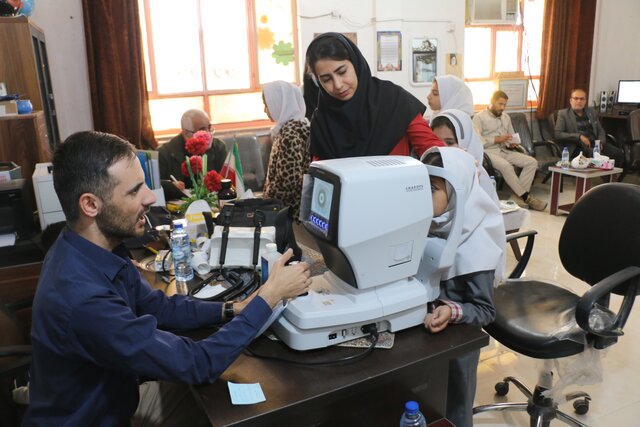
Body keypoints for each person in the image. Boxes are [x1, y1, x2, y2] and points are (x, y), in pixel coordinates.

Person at [25, 131, 311, 425]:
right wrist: (268, 297)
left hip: (115, 399)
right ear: (90, 205)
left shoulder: (90, 250)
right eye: (135, 191)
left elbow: (157, 306)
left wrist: (232, 309)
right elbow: (198, 363)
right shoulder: (83, 299)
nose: (150, 196)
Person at [421, 147, 504, 427]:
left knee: (455, 408)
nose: (422, 197)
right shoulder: (433, 225)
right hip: (429, 336)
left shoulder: (476, 246)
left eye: (431, 189)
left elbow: (485, 310)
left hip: (459, 344)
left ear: (458, 192)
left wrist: (451, 311)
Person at [306, 32, 443, 160]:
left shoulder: (392, 99)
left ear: (356, 63)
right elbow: (321, 176)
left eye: (342, 72)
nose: (338, 85)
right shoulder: (321, 121)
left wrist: (451, 164)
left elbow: (431, 148)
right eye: (326, 79)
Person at [473, 90, 547, 211]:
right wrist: (497, 139)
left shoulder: (506, 117)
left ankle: (517, 198)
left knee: (532, 162)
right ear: (492, 102)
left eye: (504, 105)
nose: (502, 108)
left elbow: (511, 135)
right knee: (507, 166)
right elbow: (478, 142)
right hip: (488, 152)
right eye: (500, 104)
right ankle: (527, 197)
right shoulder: (479, 118)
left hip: (504, 150)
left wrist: (511, 143)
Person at [262, 80, 311, 222]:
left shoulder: (290, 134)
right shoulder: (293, 127)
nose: (265, 110)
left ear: (280, 102)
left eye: (267, 104)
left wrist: (265, 202)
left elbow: (288, 183)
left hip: (289, 214)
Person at [430, 109, 500, 207]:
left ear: (467, 143)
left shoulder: (481, 183)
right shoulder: (431, 174)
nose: (442, 149)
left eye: (449, 143)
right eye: (437, 142)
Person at [554, 88, 625, 174]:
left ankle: (611, 179)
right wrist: (579, 136)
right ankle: (601, 181)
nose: (579, 101)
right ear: (570, 100)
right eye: (576, 98)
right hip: (578, 146)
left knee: (617, 153)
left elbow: (600, 130)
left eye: (582, 99)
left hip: (595, 144)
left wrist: (601, 142)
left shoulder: (591, 112)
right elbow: (558, 134)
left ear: (585, 101)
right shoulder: (563, 114)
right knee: (597, 157)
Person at [158, 109, 227, 190]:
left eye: (209, 128)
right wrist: (170, 187)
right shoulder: (164, 153)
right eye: (202, 130)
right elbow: (157, 187)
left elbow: (226, 180)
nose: (208, 134)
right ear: (186, 133)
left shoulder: (218, 147)